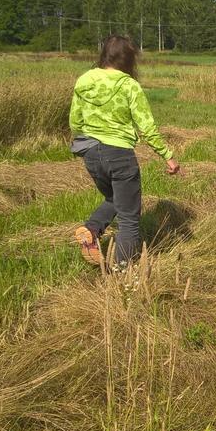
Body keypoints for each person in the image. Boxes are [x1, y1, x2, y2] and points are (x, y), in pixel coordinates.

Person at [70, 35, 180, 268]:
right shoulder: (129, 85)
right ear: (129, 60)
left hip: (90, 152)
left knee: (115, 198)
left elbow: (75, 122)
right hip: (119, 154)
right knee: (129, 219)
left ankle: (91, 230)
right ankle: (122, 272)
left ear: (104, 55)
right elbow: (147, 127)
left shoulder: (84, 80)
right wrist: (167, 156)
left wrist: (88, 141)